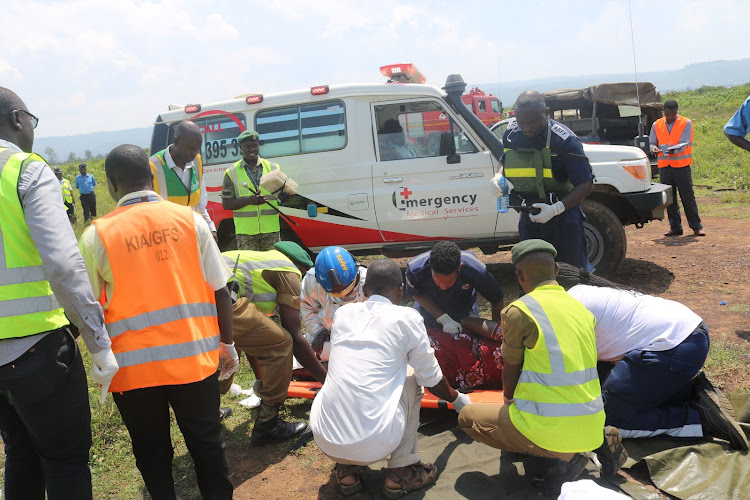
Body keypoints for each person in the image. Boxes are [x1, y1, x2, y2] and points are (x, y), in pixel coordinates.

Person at [79, 144, 239, 500]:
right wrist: (226, 344)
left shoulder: (96, 236)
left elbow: (87, 309)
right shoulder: (190, 220)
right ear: (152, 177)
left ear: (110, 185)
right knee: (208, 446)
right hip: (194, 363)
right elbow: (220, 289)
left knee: (151, 453)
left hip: (133, 372)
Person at [0, 87, 118, 500]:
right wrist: (98, 343)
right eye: (32, 121)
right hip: (36, 351)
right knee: (65, 461)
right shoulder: (24, 168)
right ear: (19, 119)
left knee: (19, 454)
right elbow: (65, 265)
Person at [458, 239, 626, 495]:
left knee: (468, 418)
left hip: (550, 427)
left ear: (519, 275)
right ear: (556, 270)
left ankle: (564, 456)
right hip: (592, 418)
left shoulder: (520, 312)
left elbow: (510, 371)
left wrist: (508, 400)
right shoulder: (582, 311)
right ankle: (596, 440)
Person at [309, 259, 472, 498]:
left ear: (364, 291)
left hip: (326, 438)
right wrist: (458, 401)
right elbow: (431, 377)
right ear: (400, 290)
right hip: (375, 442)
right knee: (411, 377)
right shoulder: (406, 318)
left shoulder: (343, 314)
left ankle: (346, 471)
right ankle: (401, 473)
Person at [556, 264, 748, 450]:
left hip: (673, 349)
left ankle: (699, 419)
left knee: (608, 417)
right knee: (603, 389)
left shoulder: (566, 307)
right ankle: (688, 394)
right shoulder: (586, 291)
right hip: (689, 335)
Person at [220, 241, 327, 444]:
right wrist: (327, 380)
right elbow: (294, 337)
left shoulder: (259, 262)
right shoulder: (289, 271)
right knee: (281, 343)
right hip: (222, 300)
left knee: (219, 355)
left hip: (199, 299)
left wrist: (266, 382)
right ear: (302, 269)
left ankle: (207, 414)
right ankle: (268, 425)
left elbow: (256, 340)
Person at [495, 90, 595, 270]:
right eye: (521, 122)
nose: (526, 128)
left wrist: (556, 209)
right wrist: (499, 176)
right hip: (529, 219)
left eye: (532, 122)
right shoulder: (511, 134)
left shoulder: (564, 140)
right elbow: (505, 160)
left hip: (563, 220)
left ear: (546, 113)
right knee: (531, 275)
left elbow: (586, 184)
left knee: (569, 275)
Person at [405, 241, 505, 389]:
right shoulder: (416, 269)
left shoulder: (475, 269)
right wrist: (443, 318)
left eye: (449, 282)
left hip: (463, 310)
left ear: (459, 268)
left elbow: (496, 298)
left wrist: (496, 337)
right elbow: (417, 294)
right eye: (437, 281)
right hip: (430, 309)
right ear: (430, 268)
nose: (443, 287)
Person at [150, 120, 217, 241]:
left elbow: (200, 204)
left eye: (197, 149)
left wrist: (211, 227)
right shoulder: (153, 167)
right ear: (176, 141)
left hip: (194, 236)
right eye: (191, 148)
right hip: (169, 239)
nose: (194, 153)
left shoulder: (197, 161)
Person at [222, 130, 286, 250]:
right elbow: (226, 204)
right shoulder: (231, 172)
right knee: (250, 268)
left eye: (254, 146)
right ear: (240, 147)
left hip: (271, 232)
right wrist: (249, 201)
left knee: (272, 266)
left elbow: (280, 196)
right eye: (247, 146)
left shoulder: (273, 168)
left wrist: (286, 197)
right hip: (246, 234)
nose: (252, 149)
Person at [300, 246, 367, 361]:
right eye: (336, 294)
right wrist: (318, 332)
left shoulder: (369, 282)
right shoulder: (311, 280)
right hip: (326, 337)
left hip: (361, 338)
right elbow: (307, 308)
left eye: (347, 290)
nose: (342, 297)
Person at [649, 99, 704, 236]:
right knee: (669, 198)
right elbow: (651, 143)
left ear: (676, 112)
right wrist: (653, 148)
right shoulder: (657, 124)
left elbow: (684, 143)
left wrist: (675, 150)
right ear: (664, 112)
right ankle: (675, 227)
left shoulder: (686, 123)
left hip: (681, 165)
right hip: (664, 166)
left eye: (672, 115)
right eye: (667, 115)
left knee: (687, 197)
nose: (670, 117)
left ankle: (696, 226)